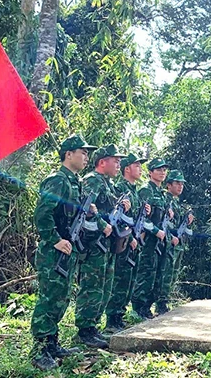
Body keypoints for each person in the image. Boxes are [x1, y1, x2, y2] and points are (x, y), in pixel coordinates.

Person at [30, 134, 97, 370]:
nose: (86, 157)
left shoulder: (74, 182)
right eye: (83, 152)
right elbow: (42, 214)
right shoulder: (57, 180)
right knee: (49, 299)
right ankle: (39, 350)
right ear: (69, 154)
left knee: (61, 298)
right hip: (53, 250)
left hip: (68, 249)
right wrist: (55, 239)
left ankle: (52, 344)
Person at [75, 144, 128, 348]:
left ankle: (93, 328)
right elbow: (85, 207)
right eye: (115, 160)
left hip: (105, 245)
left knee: (104, 287)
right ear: (102, 162)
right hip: (93, 244)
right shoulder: (92, 180)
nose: (118, 164)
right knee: (92, 287)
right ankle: (84, 330)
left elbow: (107, 210)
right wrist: (101, 224)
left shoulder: (107, 184)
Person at [105, 153, 148, 333]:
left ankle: (119, 316)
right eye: (137, 165)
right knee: (120, 281)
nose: (140, 169)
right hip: (123, 241)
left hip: (134, 242)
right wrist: (130, 238)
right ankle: (112, 318)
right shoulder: (119, 188)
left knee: (129, 281)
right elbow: (117, 217)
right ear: (127, 168)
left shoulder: (135, 191)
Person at [131, 158, 171, 319]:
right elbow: (141, 218)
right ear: (150, 172)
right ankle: (139, 307)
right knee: (145, 272)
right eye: (158, 169)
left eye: (164, 170)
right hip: (147, 239)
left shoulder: (162, 193)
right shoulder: (146, 190)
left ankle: (147, 307)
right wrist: (155, 231)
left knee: (156, 273)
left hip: (159, 241)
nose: (162, 172)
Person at [155, 169, 194, 314]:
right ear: (169, 185)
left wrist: (188, 219)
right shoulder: (166, 200)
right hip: (169, 243)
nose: (180, 186)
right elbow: (165, 223)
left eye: (182, 184)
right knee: (165, 273)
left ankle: (165, 300)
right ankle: (161, 303)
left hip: (177, 243)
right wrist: (172, 237)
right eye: (177, 183)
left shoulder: (177, 203)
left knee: (173, 274)